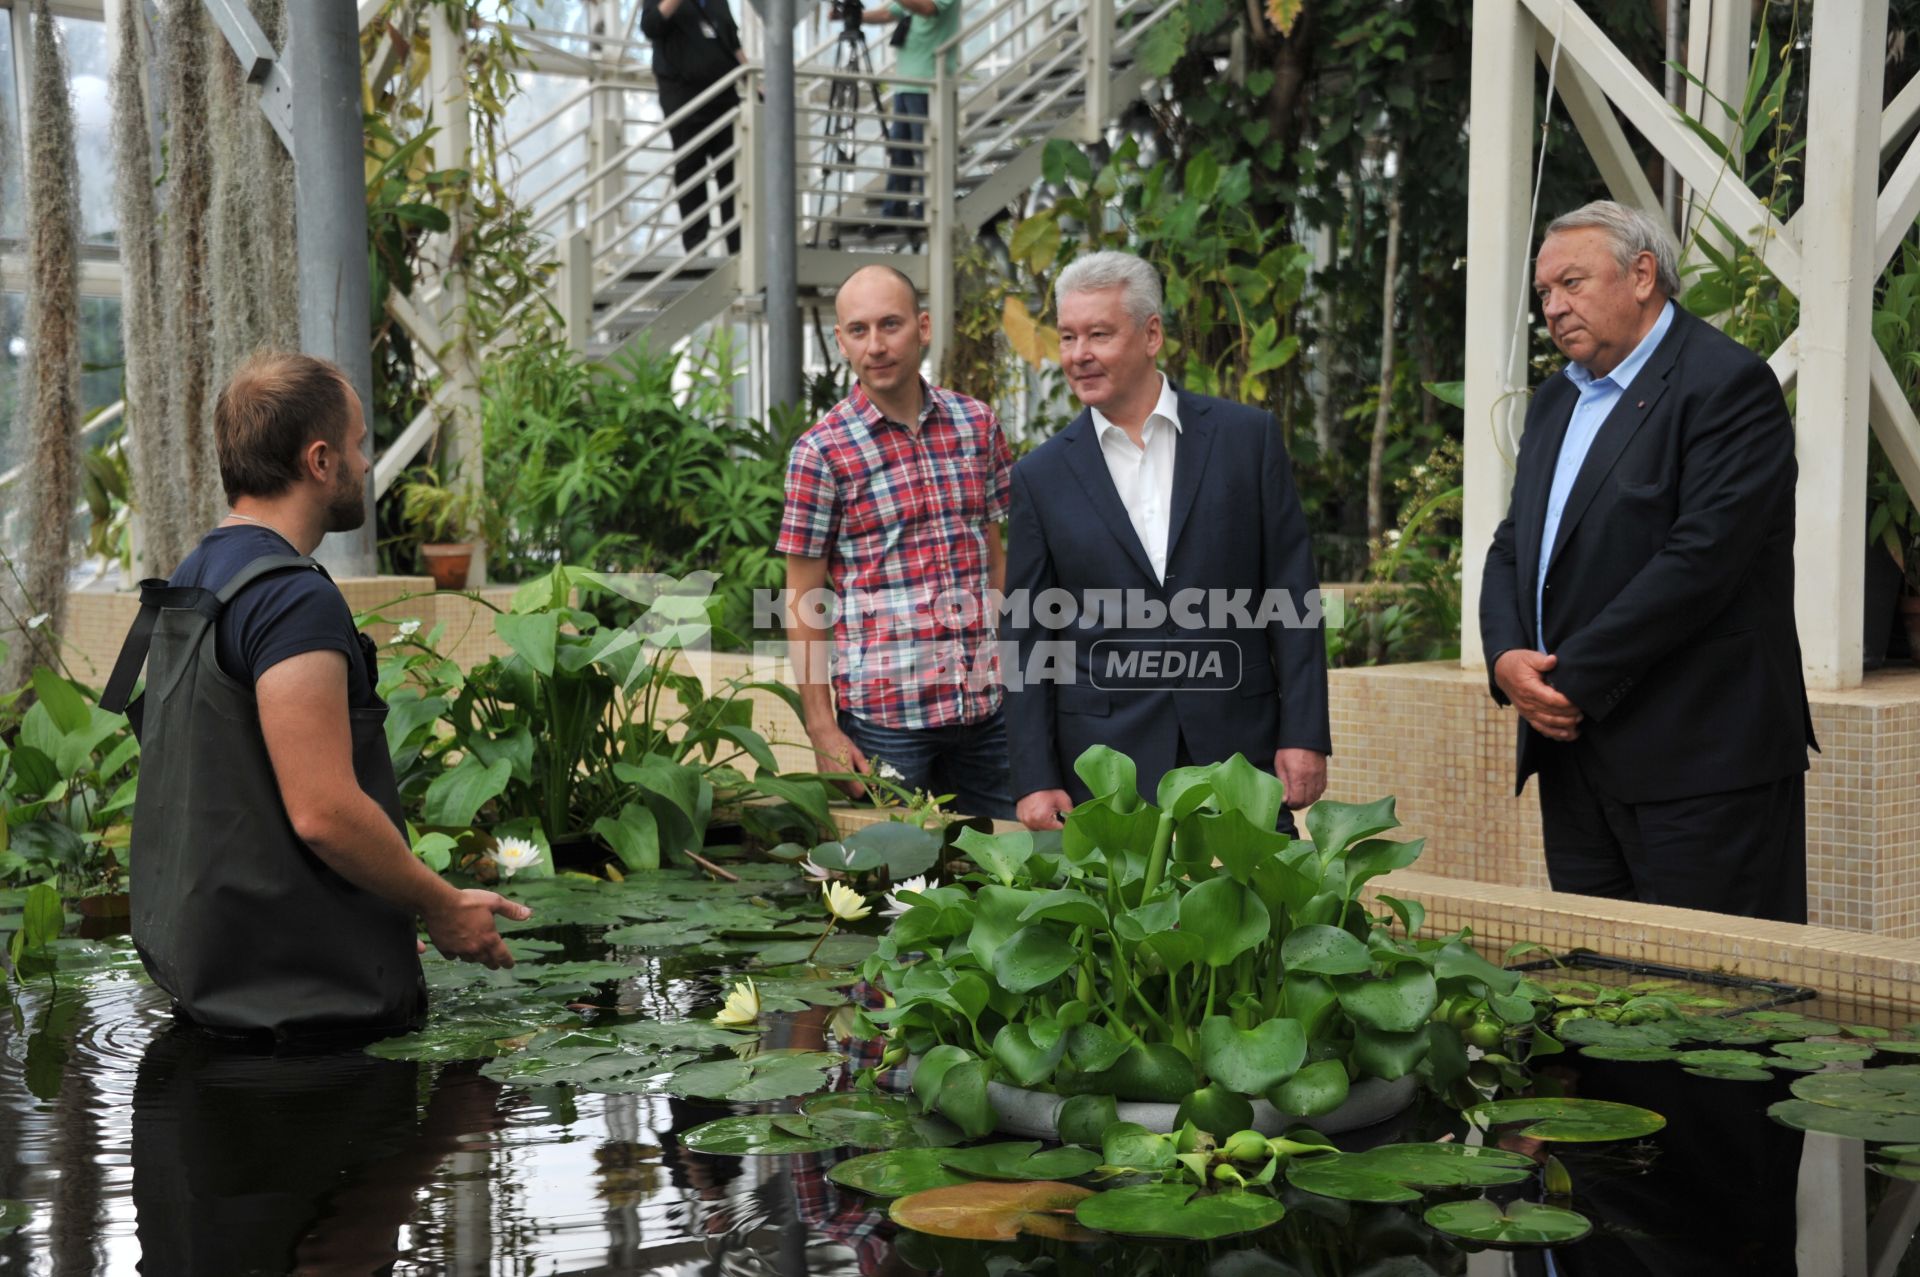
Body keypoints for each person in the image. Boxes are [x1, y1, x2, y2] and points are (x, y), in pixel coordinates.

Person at [104, 353, 527, 1038]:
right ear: (320, 459)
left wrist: (368, 911)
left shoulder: (195, 576)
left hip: (214, 985)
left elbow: (235, 791)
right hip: (300, 1017)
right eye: (359, 444)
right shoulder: (290, 599)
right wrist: (439, 901)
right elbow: (322, 811)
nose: (366, 464)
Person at [1479, 200, 1816, 923]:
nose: (1554, 306)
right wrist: (1506, 657)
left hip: (1699, 764)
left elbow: (1700, 562)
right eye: (1544, 293)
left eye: (1571, 283)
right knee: (1597, 1002)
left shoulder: (1726, 384)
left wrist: (1569, 679)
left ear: (1642, 274)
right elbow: (1515, 544)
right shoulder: (1552, 403)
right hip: (1572, 755)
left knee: (1716, 1010)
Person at [1004, 250, 1331, 831]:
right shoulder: (1040, 475)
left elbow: (1293, 595)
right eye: (1069, 337)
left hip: (1240, 751)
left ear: (1151, 334)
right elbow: (1027, 635)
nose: (1079, 355)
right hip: (1103, 769)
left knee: (1261, 917)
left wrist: (1304, 733)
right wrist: (1034, 776)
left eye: (1099, 334)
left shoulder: (1246, 440)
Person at [778, 263, 1015, 819]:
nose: (876, 345)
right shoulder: (821, 453)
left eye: (891, 325)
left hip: (988, 714)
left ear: (923, 327)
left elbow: (997, 557)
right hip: (886, 722)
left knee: (1012, 881)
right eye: (858, 331)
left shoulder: (976, 425)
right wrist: (821, 727)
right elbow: (802, 597)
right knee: (894, 894)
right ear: (841, 342)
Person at [641, 0, 747, 256]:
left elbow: (732, 42)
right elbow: (651, 26)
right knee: (691, 169)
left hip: (723, 96)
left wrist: (752, 80)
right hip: (685, 97)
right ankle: (696, 248)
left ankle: (737, 247)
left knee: (732, 173)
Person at [858, 0, 959, 227]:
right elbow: (886, 14)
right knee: (900, 152)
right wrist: (856, 15)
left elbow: (926, 8)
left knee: (926, 152)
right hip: (905, 84)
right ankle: (894, 213)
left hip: (928, 84)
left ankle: (928, 214)